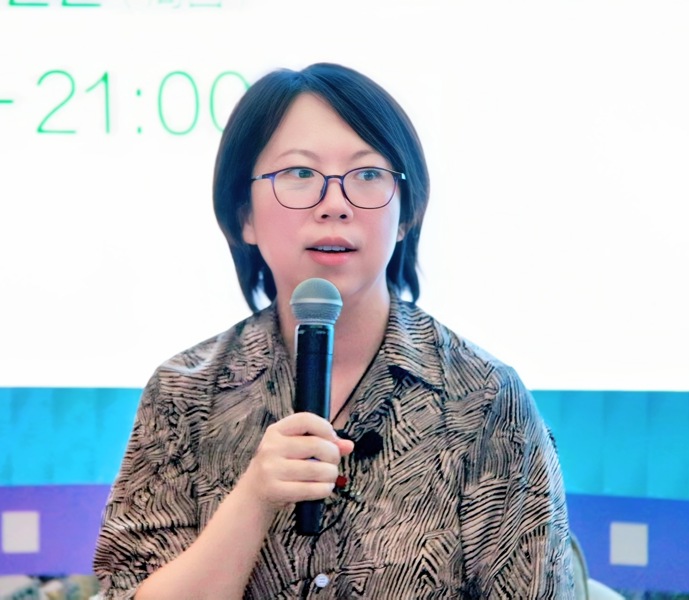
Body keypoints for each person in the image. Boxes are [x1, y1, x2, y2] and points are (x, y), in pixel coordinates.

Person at [93, 63, 574, 599]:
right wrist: (254, 499)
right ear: (243, 215)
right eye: (299, 173)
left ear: (406, 213)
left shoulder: (483, 400)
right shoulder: (185, 394)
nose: (335, 205)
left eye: (367, 174)